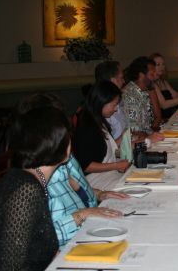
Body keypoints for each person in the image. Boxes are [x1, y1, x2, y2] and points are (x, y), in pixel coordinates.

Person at [14, 92, 128, 250]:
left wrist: (101, 194)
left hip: (90, 228)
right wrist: (82, 215)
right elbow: (39, 240)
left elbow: (81, 193)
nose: (66, 135)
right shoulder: (32, 181)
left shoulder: (67, 161)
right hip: (69, 245)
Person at [0, 107, 69, 271]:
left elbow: (33, 247)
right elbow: (12, 266)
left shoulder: (34, 178)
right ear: (58, 144)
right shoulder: (26, 189)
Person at [73, 80, 132, 189]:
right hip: (96, 180)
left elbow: (104, 150)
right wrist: (116, 165)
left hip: (109, 175)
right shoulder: (86, 128)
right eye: (114, 105)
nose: (115, 109)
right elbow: (85, 165)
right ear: (101, 102)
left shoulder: (100, 122)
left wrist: (122, 138)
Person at [95, 60, 163, 145]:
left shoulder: (113, 105)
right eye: (121, 78)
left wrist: (144, 138)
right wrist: (147, 139)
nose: (124, 81)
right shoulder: (106, 112)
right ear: (113, 81)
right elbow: (114, 149)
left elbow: (127, 135)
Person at [120, 57, 165, 138]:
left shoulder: (141, 93)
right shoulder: (130, 97)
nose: (156, 77)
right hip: (140, 142)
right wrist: (152, 137)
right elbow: (134, 133)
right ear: (141, 76)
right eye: (152, 73)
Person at [149, 53, 178, 119]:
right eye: (158, 64)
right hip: (161, 119)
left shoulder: (163, 82)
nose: (161, 67)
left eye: (163, 64)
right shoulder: (151, 83)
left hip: (169, 116)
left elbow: (176, 96)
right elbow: (164, 105)